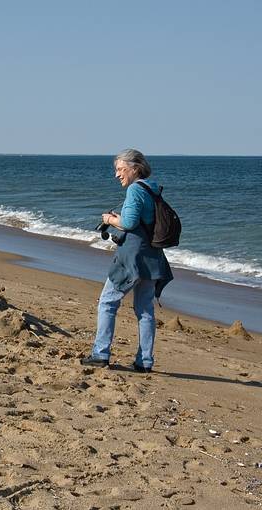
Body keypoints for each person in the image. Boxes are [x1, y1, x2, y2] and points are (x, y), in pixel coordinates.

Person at [80, 149, 173, 373]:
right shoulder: (151, 188)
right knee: (144, 310)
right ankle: (145, 361)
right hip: (152, 257)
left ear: (135, 168)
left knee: (107, 302)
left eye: (121, 169)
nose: (117, 175)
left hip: (132, 258)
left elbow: (130, 223)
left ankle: (100, 354)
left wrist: (109, 219)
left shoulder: (135, 189)